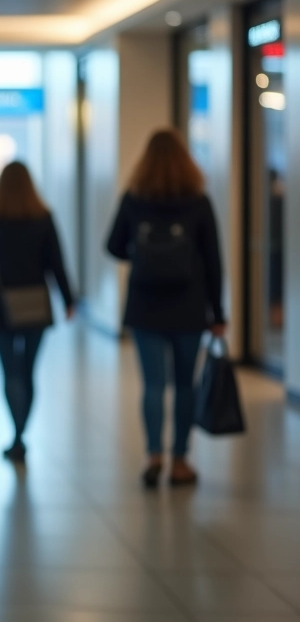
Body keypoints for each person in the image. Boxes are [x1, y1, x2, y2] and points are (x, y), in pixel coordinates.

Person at [106, 129, 225, 489]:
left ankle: (153, 454)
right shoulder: (198, 201)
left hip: (145, 304)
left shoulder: (133, 199)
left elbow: (112, 246)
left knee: (154, 384)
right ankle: (180, 461)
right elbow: (213, 260)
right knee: (185, 385)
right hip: (189, 305)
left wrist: (142, 257)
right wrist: (217, 313)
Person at [0, 162, 75, 463]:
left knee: (10, 371)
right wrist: (68, 300)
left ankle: (15, 433)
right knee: (28, 371)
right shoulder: (42, 216)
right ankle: (21, 434)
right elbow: (57, 262)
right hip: (36, 302)